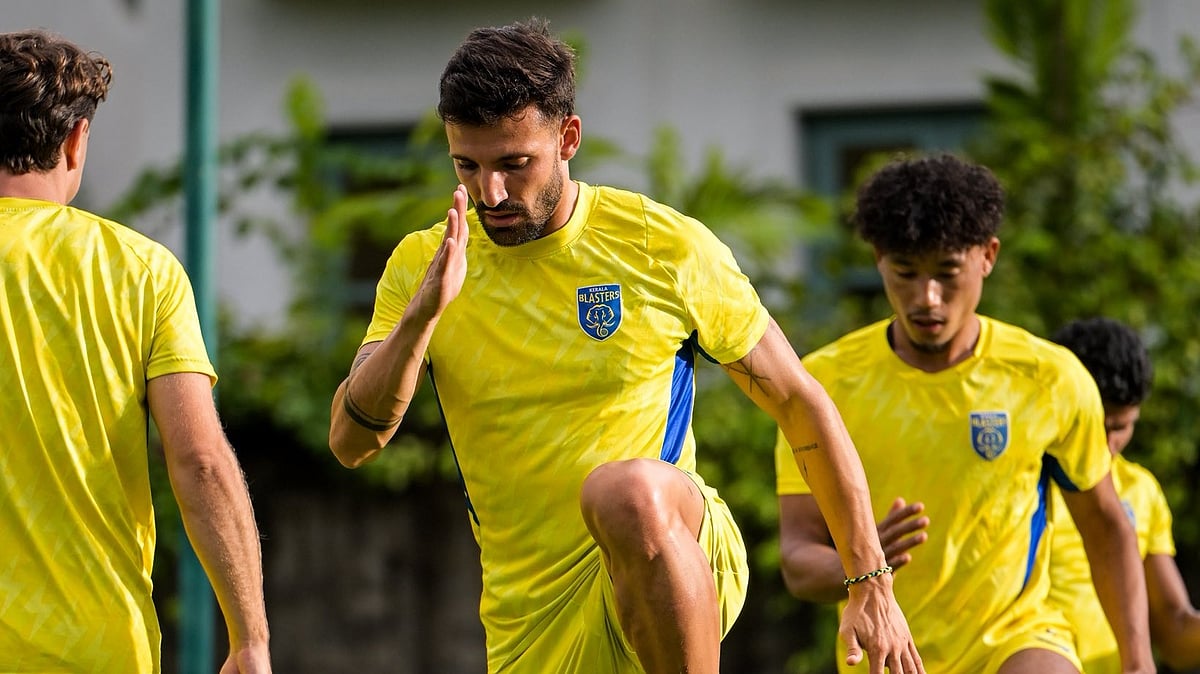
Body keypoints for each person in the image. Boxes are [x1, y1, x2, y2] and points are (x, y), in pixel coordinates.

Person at [329, 17, 922, 674]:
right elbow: (352, 443)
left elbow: (799, 402)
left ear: (568, 138)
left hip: (674, 551)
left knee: (628, 492)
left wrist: (871, 583)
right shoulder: (426, 263)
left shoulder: (662, 247)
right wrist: (419, 322)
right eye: (466, 166)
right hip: (530, 619)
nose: (489, 192)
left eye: (514, 164)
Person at [774, 153, 1156, 673]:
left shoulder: (1050, 378)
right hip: (887, 652)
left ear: (987, 256)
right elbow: (797, 561)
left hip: (1017, 638)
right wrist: (859, 564)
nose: (926, 298)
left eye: (947, 272)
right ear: (879, 258)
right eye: (905, 273)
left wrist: (1138, 664)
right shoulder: (821, 389)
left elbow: (1108, 528)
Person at [0, 30, 271, 672]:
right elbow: (200, 460)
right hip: (98, 647)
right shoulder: (142, 271)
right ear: (74, 141)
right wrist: (249, 640)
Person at [1049, 317, 1200, 673]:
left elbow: (1175, 629)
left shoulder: (1141, 489)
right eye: (1096, 427)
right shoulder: (1022, 479)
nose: (1106, 444)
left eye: (1121, 427)